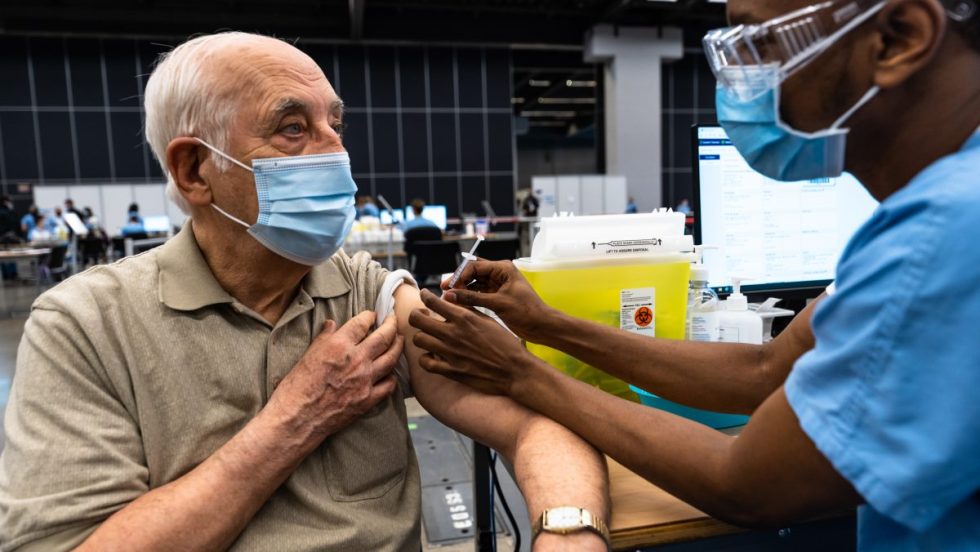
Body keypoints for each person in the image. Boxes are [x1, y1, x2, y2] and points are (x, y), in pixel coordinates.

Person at [0, 32, 608, 552]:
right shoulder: (84, 326)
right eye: (294, 128)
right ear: (194, 171)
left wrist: (567, 530)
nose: (337, 152)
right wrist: (293, 421)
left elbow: (541, 420)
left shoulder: (366, 291)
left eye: (334, 125)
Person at [409, 1, 980, 550]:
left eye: (758, 41)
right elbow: (765, 371)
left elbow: (750, 485)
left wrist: (522, 375)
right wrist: (548, 324)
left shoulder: (946, 237)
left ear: (898, 37)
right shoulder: (934, 216)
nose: (739, 80)